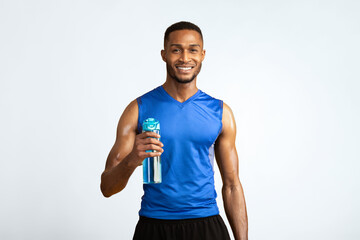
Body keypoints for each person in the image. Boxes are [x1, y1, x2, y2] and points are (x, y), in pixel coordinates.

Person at [100, 21, 248, 240]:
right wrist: (133, 159)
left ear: (203, 55)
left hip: (206, 224)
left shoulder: (220, 112)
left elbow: (233, 185)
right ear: (164, 54)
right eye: (176, 50)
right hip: (155, 226)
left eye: (193, 50)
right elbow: (107, 187)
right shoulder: (138, 109)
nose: (185, 58)